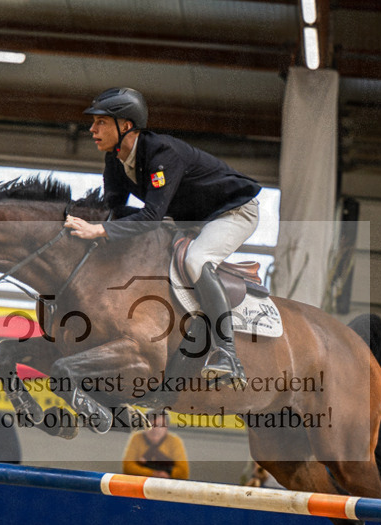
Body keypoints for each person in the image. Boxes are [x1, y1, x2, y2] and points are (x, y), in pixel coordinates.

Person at [64, 87, 262, 387]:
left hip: (233, 211)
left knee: (197, 260)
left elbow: (151, 217)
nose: (91, 129)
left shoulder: (162, 154)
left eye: (101, 122)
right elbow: (115, 210)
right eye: (93, 122)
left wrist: (100, 230)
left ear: (126, 125)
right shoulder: (114, 159)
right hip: (190, 217)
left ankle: (227, 354)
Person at [122, 410, 189, 480]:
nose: (155, 429)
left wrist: (166, 473)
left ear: (166, 427)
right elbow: (128, 467)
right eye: (151, 425)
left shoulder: (174, 441)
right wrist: (154, 473)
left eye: (160, 425)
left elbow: (183, 472)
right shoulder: (137, 438)